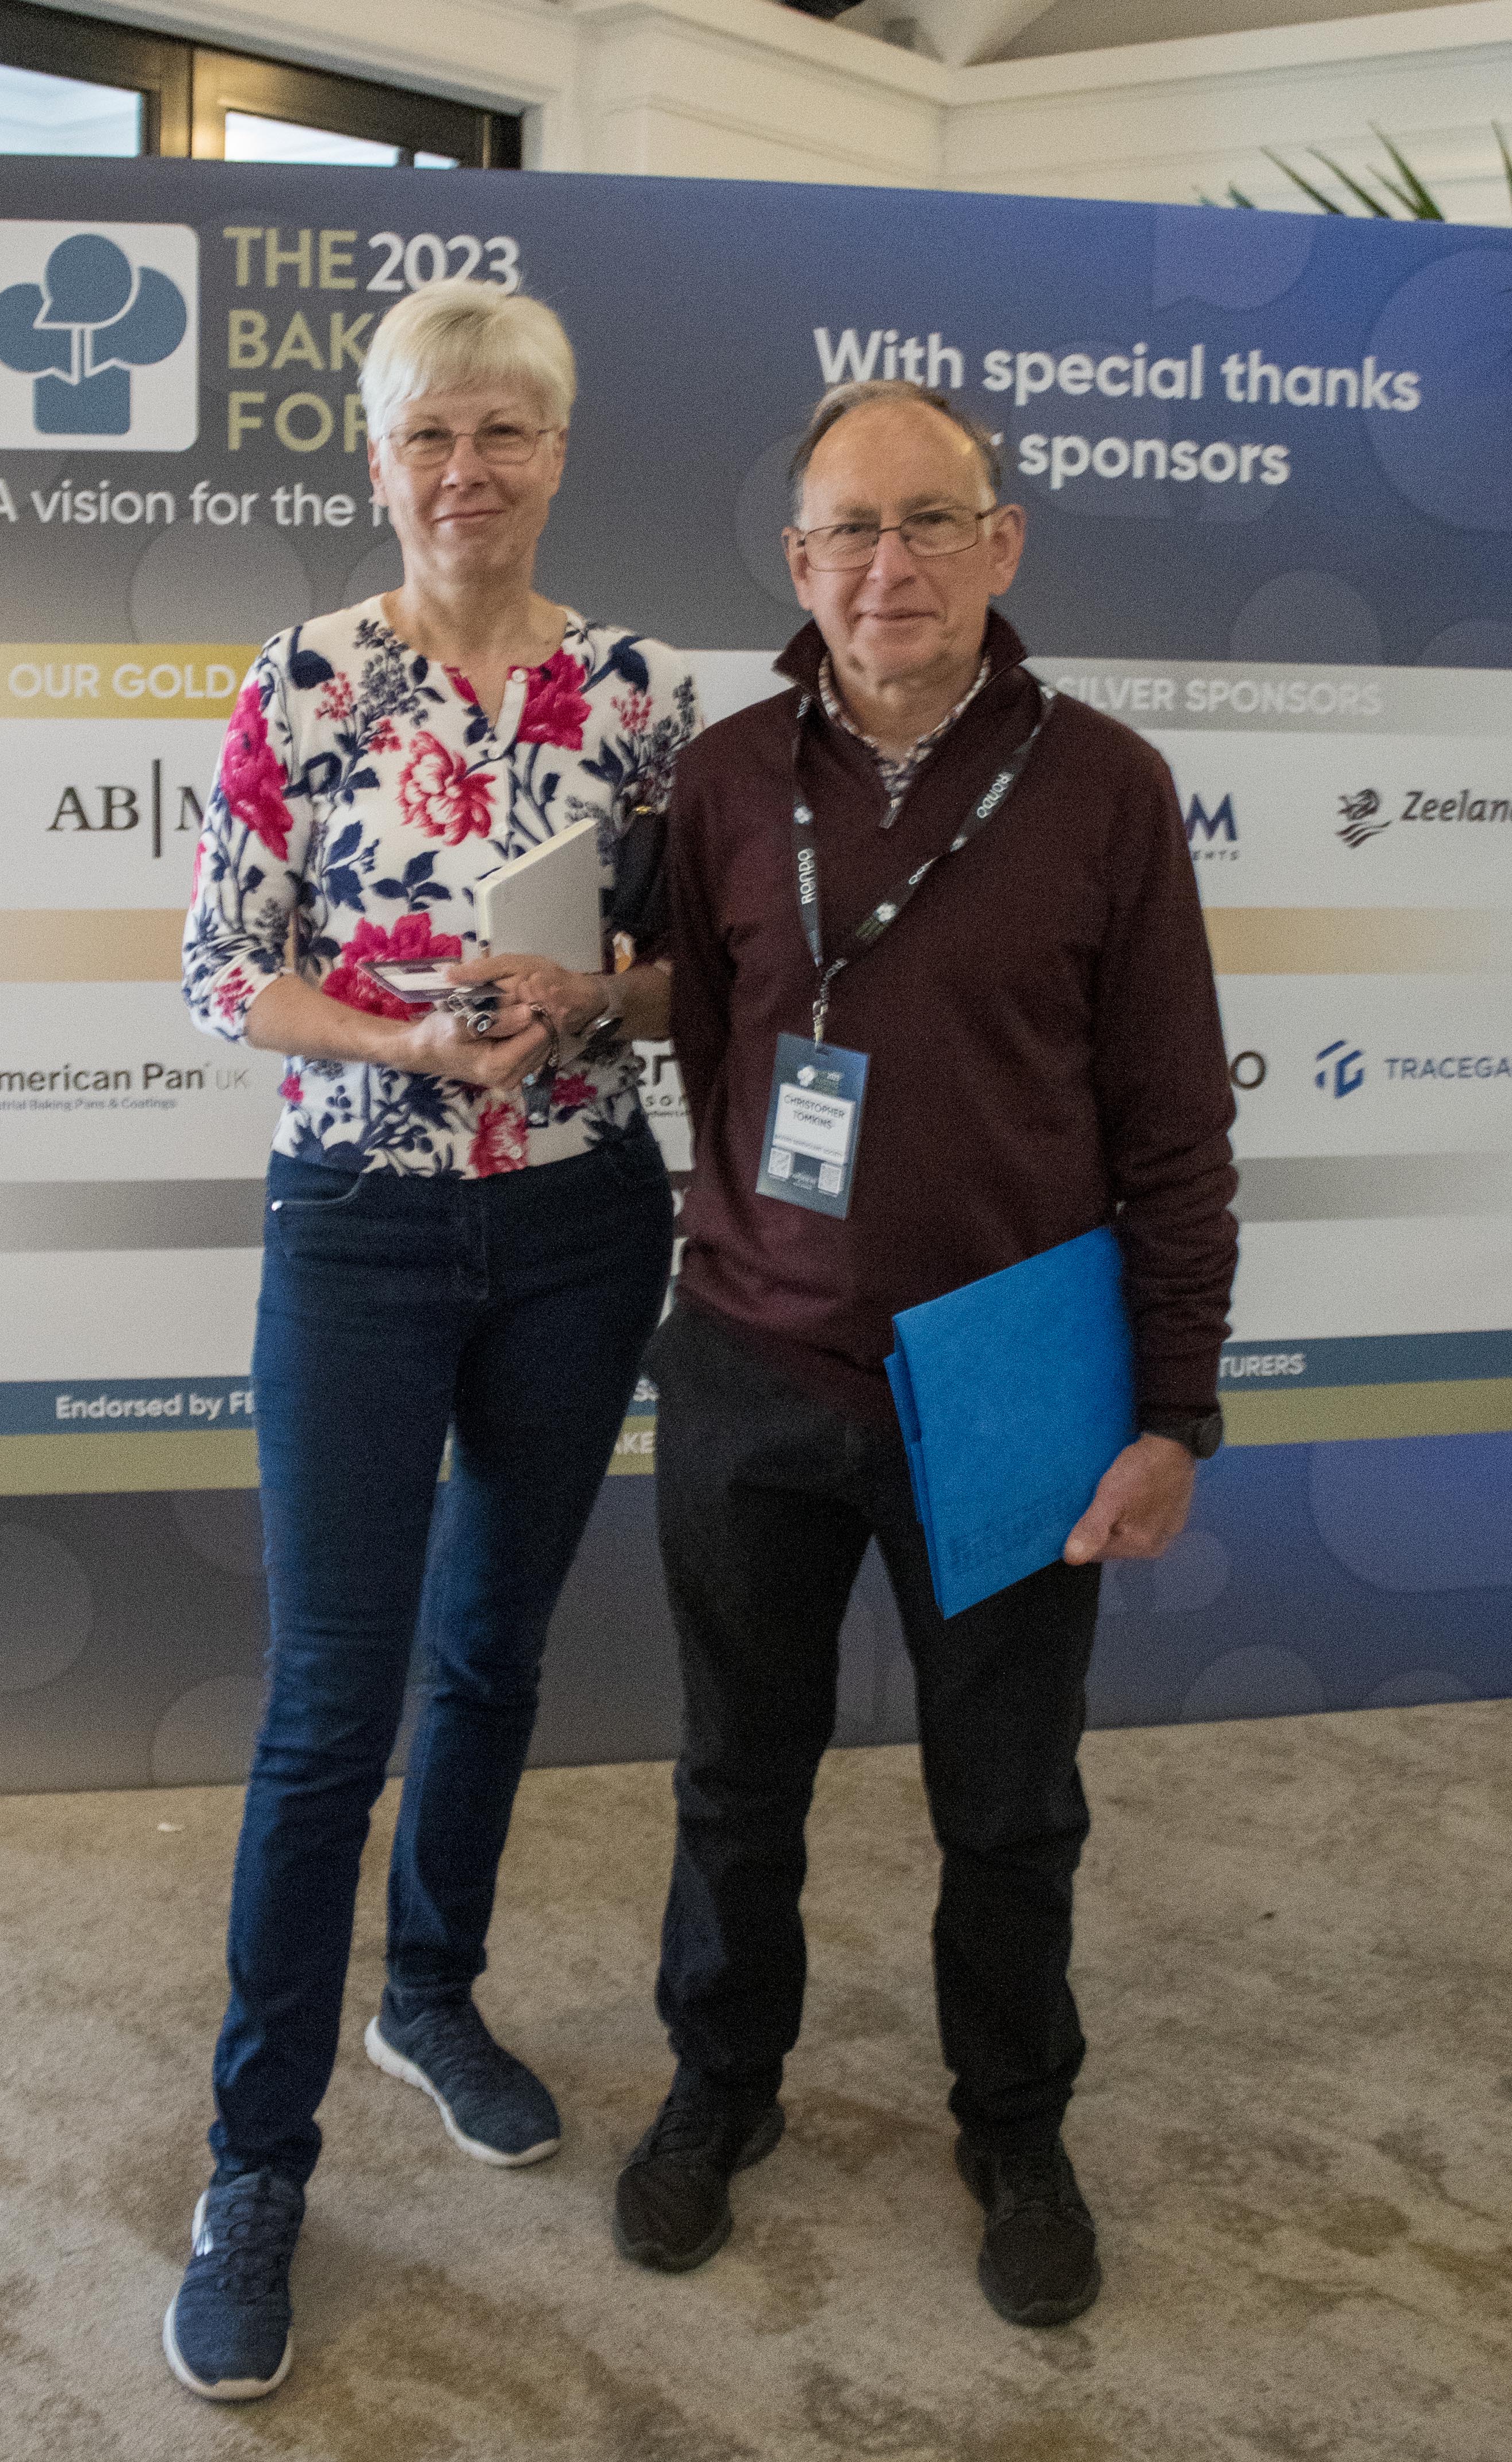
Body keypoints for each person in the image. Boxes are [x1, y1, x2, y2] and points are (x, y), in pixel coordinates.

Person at [613, 379, 1236, 2329]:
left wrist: (1174, 1412)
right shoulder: (724, 779)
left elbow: (1175, 1128)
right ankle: (724, 2088)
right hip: (749, 1365)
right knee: (737, 1780)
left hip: (1010, 1387)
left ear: (1003, 543)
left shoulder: (1108, 785)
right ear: (798, 564)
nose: (890, 566)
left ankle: (1016, 2126)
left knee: (1011, 1803)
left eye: (931, 522)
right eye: (851, 532)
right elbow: (700, 1039)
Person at [167, 277, 698, 2403]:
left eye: (502, 431)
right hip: (363, 1225)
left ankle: (432, 1997)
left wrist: (596, 1000)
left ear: (557, 451)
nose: (464, 470)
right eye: (428, 437)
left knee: (492, 1653)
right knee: (327, 1713)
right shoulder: (300, 681)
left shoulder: (640, 693)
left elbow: (692, 971)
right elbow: (225, 973)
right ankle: (254, 2169)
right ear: (378, 461)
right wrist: (406, 1042)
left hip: (583, 1223)